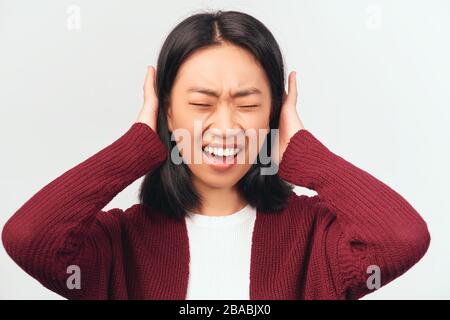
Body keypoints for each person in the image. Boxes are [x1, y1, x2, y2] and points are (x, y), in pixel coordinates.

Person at [2, 10, 430, 300]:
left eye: (246, 105)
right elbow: (28, 239)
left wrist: (304, 153)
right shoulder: (119, 244)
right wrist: (137, 146)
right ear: (167, 110)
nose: (226, 128)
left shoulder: (315, 238)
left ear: (275, 110)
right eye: (201, 103)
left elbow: (401, 239)